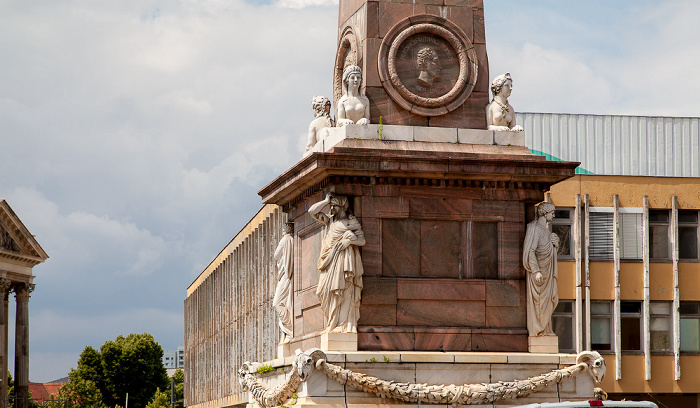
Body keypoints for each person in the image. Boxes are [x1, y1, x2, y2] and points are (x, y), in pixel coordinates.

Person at [308, 193, 365, 333]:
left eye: (334, 205)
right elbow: (312, 212)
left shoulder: (351, 223)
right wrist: (326, 201)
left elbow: (362, 241)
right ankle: (331, 323)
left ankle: (341, 324)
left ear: (343, 206)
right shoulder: (330, 221)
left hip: (342, 260)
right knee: (323, 291)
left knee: (342, 290)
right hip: (328, 260)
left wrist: (349, 241)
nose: (331, 208)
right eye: (331, 206)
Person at [523, 202, 559, 337]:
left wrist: (554, 244)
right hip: (539, 274)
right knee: (539, 302)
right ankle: (539, 330)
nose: (553, 216)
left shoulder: (545, 229)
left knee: (548, 301)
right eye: (552, 213)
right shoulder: (535, 228)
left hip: (547, 271)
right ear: (544, 213)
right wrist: (536, 270)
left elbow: (547, 248)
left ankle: (546, 329)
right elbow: (531, 251)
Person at [273, 223, 294, 344]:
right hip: (287, 274)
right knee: (283, 302)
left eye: (283, 228)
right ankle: (288, 330)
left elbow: (276, 255)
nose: (282, 230)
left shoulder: (285, 239)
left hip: (286, 275)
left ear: (287, 229)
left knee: (277, 303)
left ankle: (289, 329)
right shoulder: (292, 239)